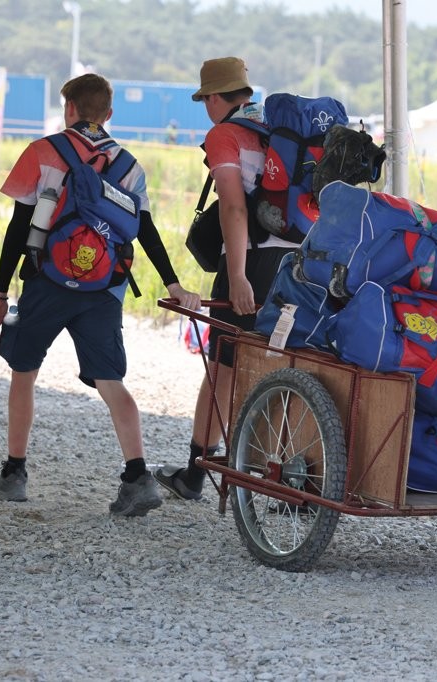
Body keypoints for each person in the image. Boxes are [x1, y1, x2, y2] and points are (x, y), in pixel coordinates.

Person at [0, 74, 201, 517]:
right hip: (103, 288)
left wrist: (0, 292)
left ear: (69, 109)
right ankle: (137, 477)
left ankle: (14, 474)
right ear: (109, 114)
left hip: (46, 283)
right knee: (111, 381)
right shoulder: (130, 166)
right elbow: (146, 231)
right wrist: (173, 283)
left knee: (24, 371)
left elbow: (18, 228)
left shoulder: (43, 152)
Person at [154, 57, 297, 501]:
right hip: (296, 264)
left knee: (223, 367)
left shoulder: (225, 134)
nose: (206, 109)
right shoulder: (279, 130)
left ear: (215, 97)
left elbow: (233, 207)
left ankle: (198, 472)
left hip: (252, 262)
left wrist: (236, 275)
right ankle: (291, 475)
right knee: (279, 364)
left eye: (204, 100)